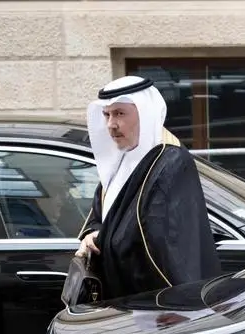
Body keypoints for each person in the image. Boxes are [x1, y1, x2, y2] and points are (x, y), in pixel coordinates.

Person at [75, 75, 221, 299]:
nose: (111, 125)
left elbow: (161, 241)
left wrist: (102, 239)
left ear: (145, 113)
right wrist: (92, 234)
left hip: (157, 303)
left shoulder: (170, 161)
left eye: (120, 113)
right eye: (107, 114)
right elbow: (104, 214)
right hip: (121, 298)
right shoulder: (122, 158)